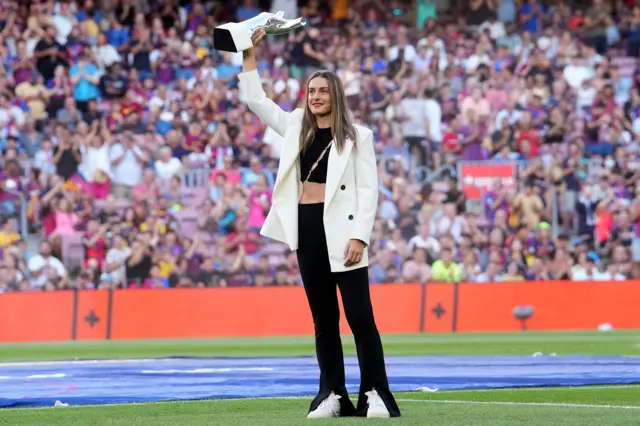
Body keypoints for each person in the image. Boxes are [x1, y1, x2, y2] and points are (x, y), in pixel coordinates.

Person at [238, 29, 401, 419]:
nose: (315, 97)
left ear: (336, 96)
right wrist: (247, 51)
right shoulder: (295, 125)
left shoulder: (358, 136)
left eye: (323, 91)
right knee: (323, 318)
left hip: (344, 233)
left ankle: (374, 393)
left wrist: (360, 236)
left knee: (360, 316)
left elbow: (369, 190)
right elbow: (255, 99)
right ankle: (332, 393)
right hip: (306, 228)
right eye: (311, 91)